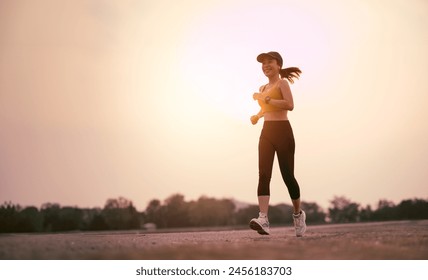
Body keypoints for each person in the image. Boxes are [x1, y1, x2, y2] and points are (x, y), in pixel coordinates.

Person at [249, 51, 306, 237]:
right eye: (263, 63)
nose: (266, 65)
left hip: (283, 132)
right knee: (263, 174)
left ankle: (298, 215)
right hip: (267, 132)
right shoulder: (263, 87)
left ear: (278, 65)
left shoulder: (283, 83)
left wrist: (265, 99)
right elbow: (266, 107)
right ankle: (263, 218)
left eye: (269, 62)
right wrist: (258, 115)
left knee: (288, 175)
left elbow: (289, 105)